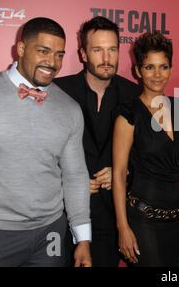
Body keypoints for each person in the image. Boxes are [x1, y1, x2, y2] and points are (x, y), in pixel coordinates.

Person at [0, 17, 91, 267]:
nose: (52, 63)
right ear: (20, 49)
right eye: (43, 51)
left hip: (50, 233)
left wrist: (83, 238)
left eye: (59, 55)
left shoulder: (70, 109)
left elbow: (74, 175)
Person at [54, 16, 141, 267]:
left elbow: (150, 154)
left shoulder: (134, 95)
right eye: (97, 50)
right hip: (62, 215)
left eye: (112, 49)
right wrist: (66, 181)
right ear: (82, 53)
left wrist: (123, 173)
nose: (106, 58)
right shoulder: (59, 91)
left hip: (110, 217)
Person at [112, 32, 179, 266]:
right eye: (149, 67)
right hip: (144, 221)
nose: (157, 74)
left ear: (170, 68)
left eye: (163, 66)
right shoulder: (129, 115)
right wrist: (123, 227)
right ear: (138, 71)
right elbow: (119, 173)